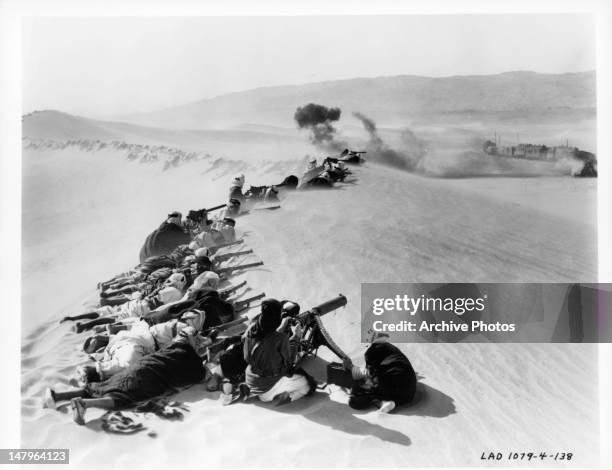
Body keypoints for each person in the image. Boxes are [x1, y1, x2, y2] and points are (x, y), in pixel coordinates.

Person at [43, 328, 208, 425]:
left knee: (104, 386)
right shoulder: (191, 360)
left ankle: (58, 396)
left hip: (140, 367)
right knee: (125, 397)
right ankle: (85, 404)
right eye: (197, 340)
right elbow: (196, 377)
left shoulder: (172, 346)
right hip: (150, 378)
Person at [76, 310, 206, 384]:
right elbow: (187, 346)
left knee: (124, 357)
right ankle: (91, 370)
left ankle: (101, 355)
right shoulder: (184, 328)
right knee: (128, 364)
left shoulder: (175, 324)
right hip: (140, 343)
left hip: (135, 338)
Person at [226, 298, 311, 405]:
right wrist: (296, 336)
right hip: (267, 389)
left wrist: (281, 328)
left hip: (251, 378)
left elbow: (266, 341)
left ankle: (250, 391)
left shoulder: (252, 329)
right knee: (307, 385)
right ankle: (288, 396)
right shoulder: (281, 338)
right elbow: (290, 360)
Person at [343, 335, 417, 413]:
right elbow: (370, 372)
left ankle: (380, 401)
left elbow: (369, 374)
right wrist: (352, 368)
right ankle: (381, 401)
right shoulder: (387, 350)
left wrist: (351, 368)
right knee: (377, 384)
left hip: (398, 387)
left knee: (373, 386)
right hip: (408, 391)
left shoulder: (372, 353)